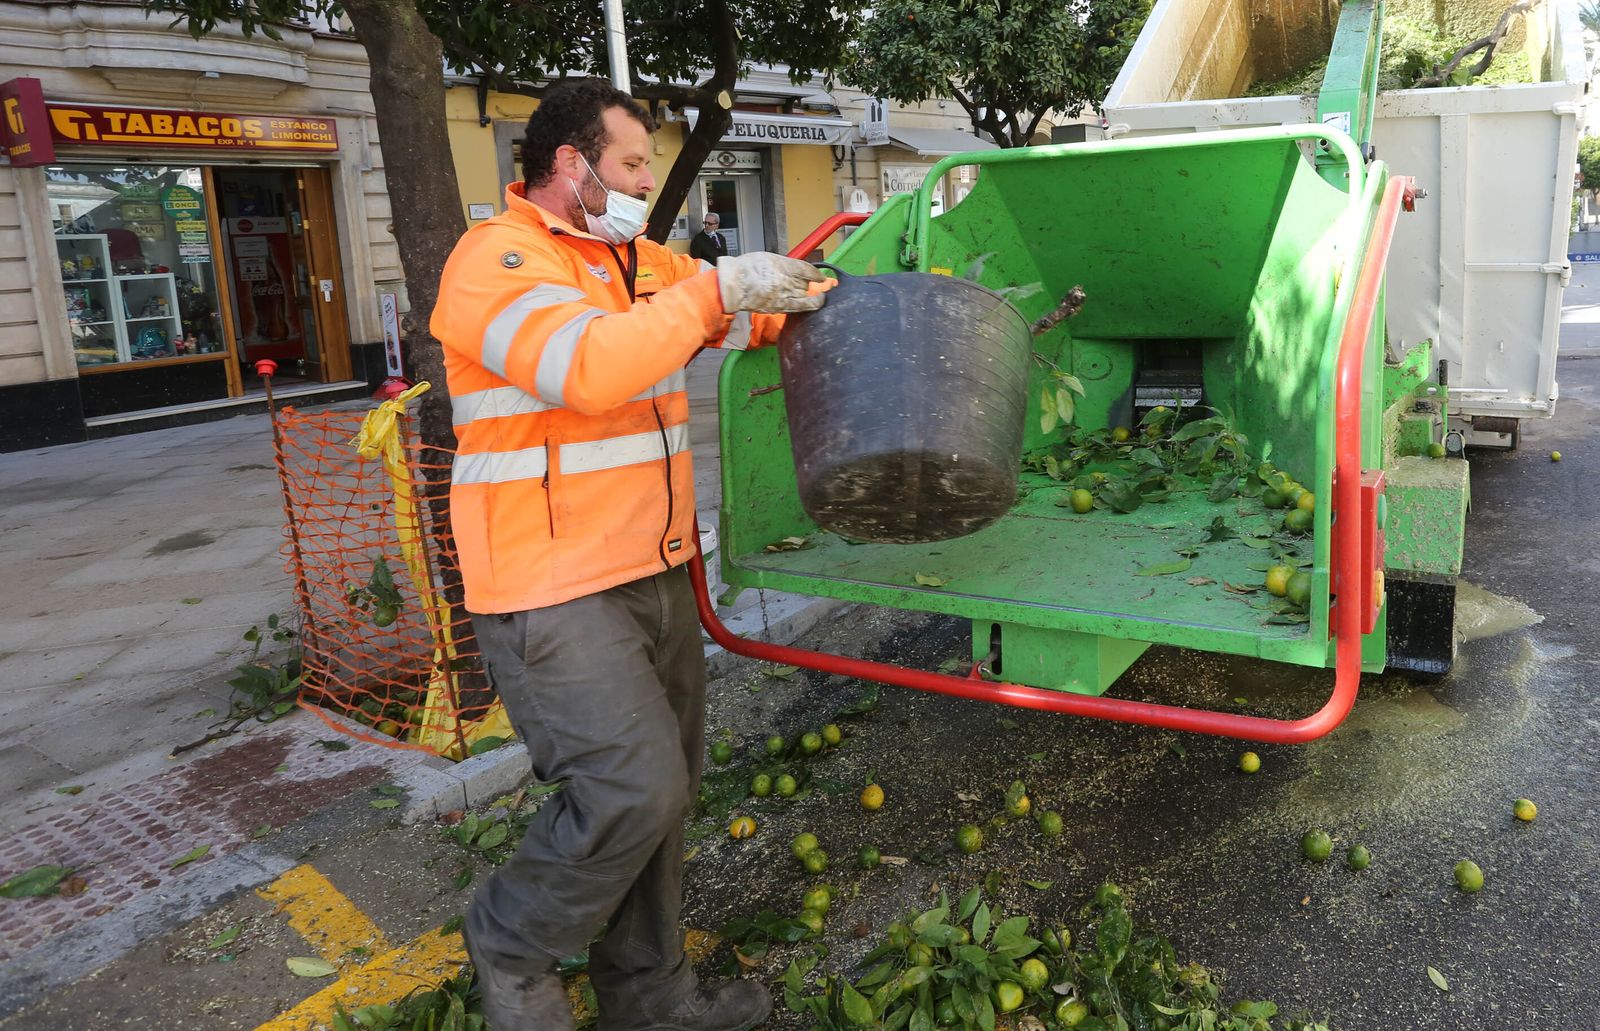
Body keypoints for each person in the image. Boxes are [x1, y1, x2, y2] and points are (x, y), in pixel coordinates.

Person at [430, 78, 830, 1031]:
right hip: (551, 582)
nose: (649, 181)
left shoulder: (636, 263)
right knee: (630, 788)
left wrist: (843, 290)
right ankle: (511, 938)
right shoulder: (497, 262)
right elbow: (589, 366)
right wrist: (715, 290)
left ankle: (650, 995)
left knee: (668, 793)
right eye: (634, 163)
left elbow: (753, 314)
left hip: (651, 567)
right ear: (573, 164)